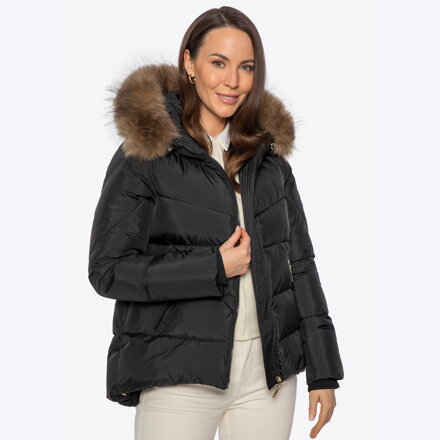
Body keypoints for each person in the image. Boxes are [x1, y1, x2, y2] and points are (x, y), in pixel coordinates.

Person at [88, 6, 344, 440]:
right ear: (189, 64)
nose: (233, 81)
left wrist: (323, 370)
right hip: (178, 371)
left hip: (269, 379)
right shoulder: (148, 153)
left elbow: (299, 264)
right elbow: (108, 270)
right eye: (219, 63)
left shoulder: (268, 159)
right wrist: (213, 267)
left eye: (246, 67)